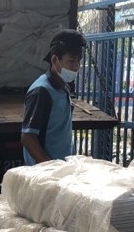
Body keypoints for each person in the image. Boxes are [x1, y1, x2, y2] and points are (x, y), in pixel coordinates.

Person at [20, 29, 86, 165]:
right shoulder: (41, 91)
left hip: (62, 169)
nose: (76, 67)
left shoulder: (63, 87)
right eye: (71, 61)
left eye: (78, 62)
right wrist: (51, 168)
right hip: (45, 173)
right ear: (54, 60)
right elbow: (28, 138)